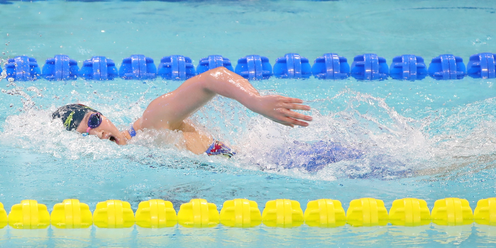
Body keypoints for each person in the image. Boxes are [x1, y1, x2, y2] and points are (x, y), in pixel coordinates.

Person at [52, 67, 312, 156]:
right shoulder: (137, 153)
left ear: (103, 114)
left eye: (94, 121)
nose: (98, 134)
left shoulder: (151, 123)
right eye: (86, 135)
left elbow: (211, 78)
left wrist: (255, 102)